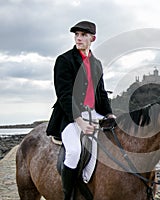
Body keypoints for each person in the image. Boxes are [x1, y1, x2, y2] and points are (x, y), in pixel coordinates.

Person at [46, 20, 115, 199]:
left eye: (83, 35)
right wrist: (80, 122)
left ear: (93, 38)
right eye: (76, 35)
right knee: (75, 151)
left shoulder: (97, 64)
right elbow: (64, 95)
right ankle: (68, 195)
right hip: (70, 116)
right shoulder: (64, 60)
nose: (78, 38)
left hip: (94, 113)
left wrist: (109, 113)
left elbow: (101, 93)